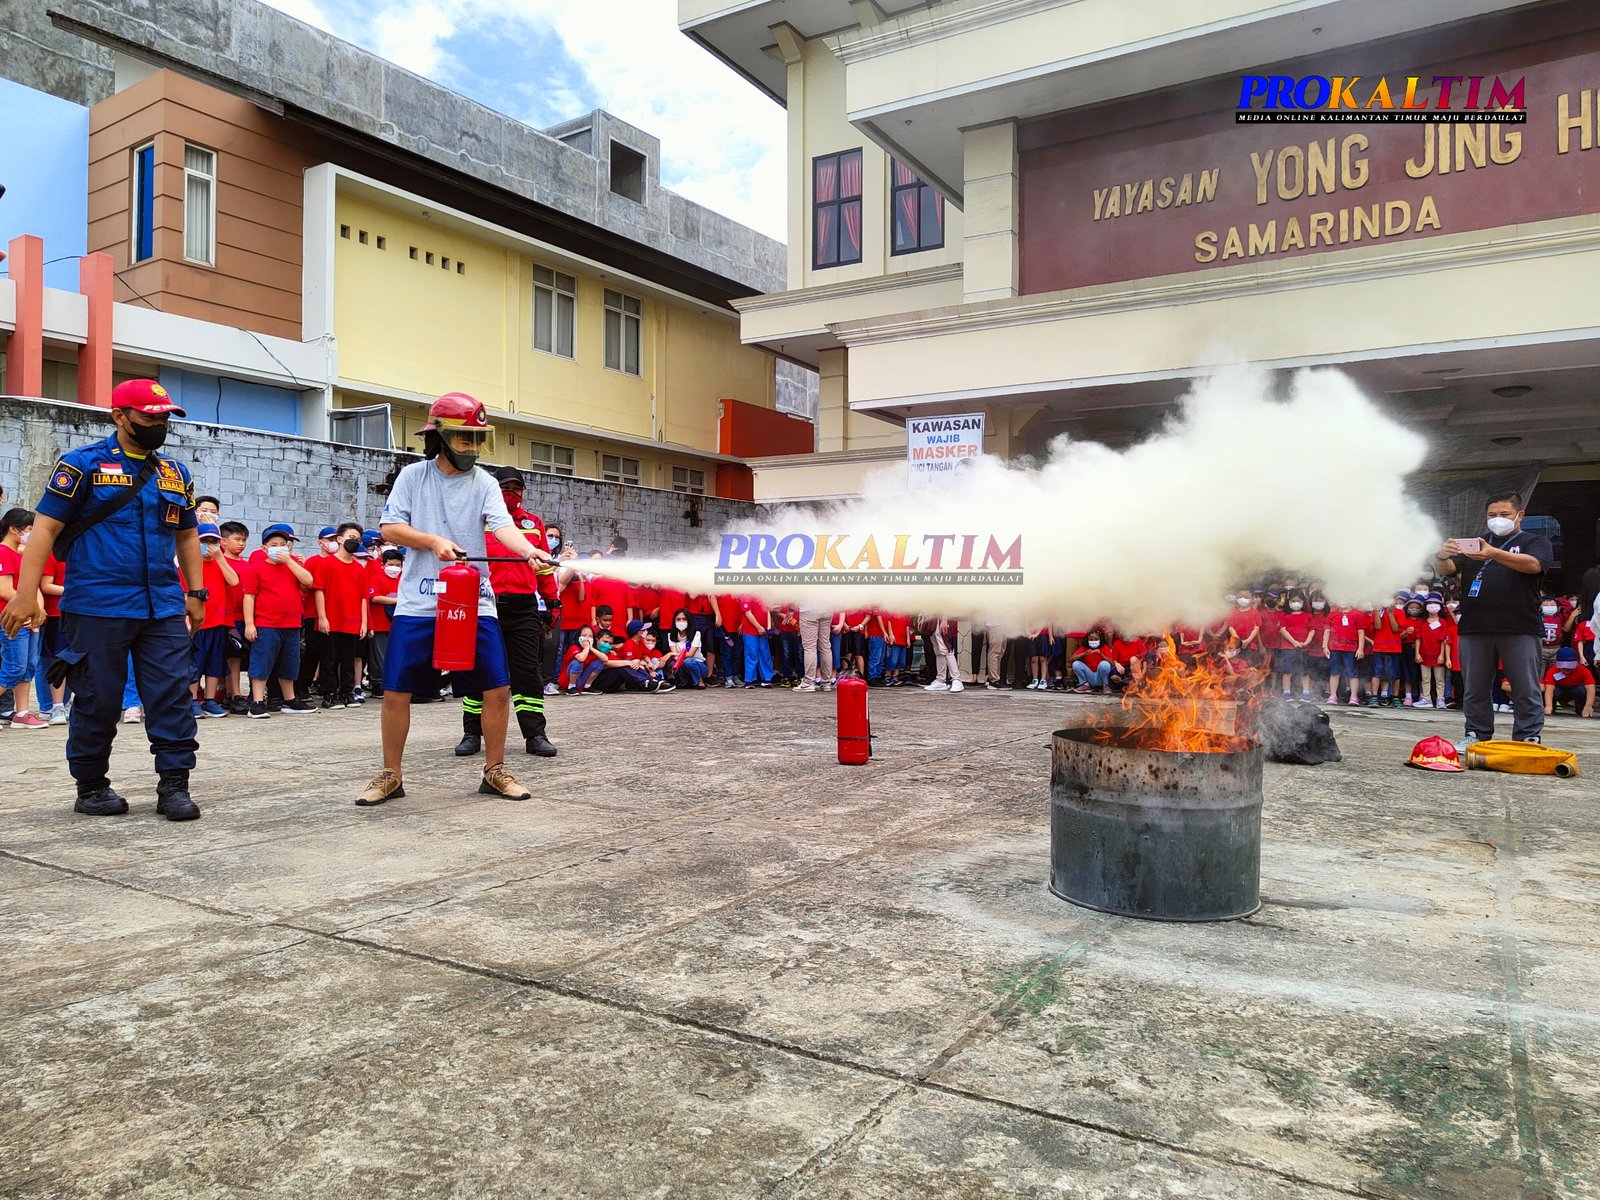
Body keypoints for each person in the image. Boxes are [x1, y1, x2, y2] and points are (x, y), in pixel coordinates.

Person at [1, 379, 205, 819]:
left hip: (162, 605)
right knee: (98, 698)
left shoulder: (175, 473)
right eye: (149, 416)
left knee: (172, 695)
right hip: (97, 604)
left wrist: (195, 591)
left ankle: (174, 786)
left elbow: (188, 535)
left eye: (165, 418)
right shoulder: (82, 465)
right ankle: (92, 786)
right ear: (119, 416)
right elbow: (46, 529)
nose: (159, 425)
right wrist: (26, 593)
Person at [359, 392, 551, 807]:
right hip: (419, 601)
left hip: (475, 599)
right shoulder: (413, 477)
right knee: (396, 690)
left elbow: (503, 527)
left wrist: (528, 550)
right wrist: (433, 542)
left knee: (497, 687)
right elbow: (390, 528)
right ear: (440, 437)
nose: (473, 447)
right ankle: (391, 775)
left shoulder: (485, 483)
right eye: (465, 438)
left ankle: (495, 770)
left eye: (478, 439)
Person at [1434, 491, 1555, 745]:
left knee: (1525, 687)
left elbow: (1534, 565)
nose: (1497, 519)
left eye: (1504, 514)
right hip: (1475, 626)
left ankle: (1527, 736)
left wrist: (1493, 553)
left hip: (1520, 626)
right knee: (1475, 687)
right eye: (1492, 515)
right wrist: (1441, 556)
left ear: (1519, 515)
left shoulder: (1535, 541)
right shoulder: (1475, 543)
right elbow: (1448, 570)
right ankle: (1475, 734)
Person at [455, 466, 557, 759]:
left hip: (524, 607)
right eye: (504, 488)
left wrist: (552, 601)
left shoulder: (534, 524)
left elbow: (544, 569)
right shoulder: (479, 521)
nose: (510, 493)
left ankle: (535, 735)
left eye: (516, 488)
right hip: (486, 605)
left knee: (527, 672)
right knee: (478, 669)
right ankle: (472, 734)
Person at [244, 524, 318, 718]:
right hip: (266, 624)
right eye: (274, 545)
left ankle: (290, 700)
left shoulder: (293, 565)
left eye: (283, 544)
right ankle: (257, 702)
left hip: (292, 624)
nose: (279, 548)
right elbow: (249, 596)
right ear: (264, 548)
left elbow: (308, 581)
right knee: (262, 661)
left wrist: (290, 562)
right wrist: (250, 623)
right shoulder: (257, 568)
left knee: (290, 663)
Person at [310, 522, 371, 710]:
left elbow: (363, 598)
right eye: (351, 537)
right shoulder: (326, 563)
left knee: (348, 659)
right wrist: (322, 617)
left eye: (358, 539)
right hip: (331, 620)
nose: (355, 542)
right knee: (328, 659)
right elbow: (319, 591)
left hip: (352, 621)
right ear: (339, 539)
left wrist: (364, 622)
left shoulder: (359, 569)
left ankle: (347, 692)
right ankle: (329, 694)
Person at [0, 509, 46, 729]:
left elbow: (33, 586)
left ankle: (22, 712)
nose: (31, 534)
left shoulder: (20, 554)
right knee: (14, 668)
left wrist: (37, 610)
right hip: (12, 618)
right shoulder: (3, 553)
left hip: (28, 618)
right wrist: (31, 607)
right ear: (13, 529)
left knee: (28, 667)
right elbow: (5, 589)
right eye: (28, 529)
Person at [192, 522, 239, 718]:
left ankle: (210, 700)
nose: (209, 546)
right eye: (205, 541)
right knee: (195, 663)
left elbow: (234, 581)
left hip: (219, 622)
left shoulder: (221, 563)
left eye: (214, 542)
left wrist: (220, 558)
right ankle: (192, 700)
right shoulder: (190, 564)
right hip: (198, 623)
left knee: (215, 662)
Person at [1541, 647, 1593, 718]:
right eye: (1563, 666)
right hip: (1559, 690)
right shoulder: (1552, 670)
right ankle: (1553, 707)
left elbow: (1591, 688)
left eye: (1570, 666)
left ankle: (1581, 709)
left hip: (1575, 690)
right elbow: (1549, 689)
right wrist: (1548, 706)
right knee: (1555, 691)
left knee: (1581, 690)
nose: (1567, 668)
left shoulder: (1584, 670)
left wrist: (1588, 706)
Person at [664, 608, 708, 689]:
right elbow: (675, 655)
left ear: (689, 621)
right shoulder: (671, 635)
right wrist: (674, 655)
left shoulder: (696, 634)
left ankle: (699, 680)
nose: (681, 621)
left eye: (684, 619)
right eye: (678, 619)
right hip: (681, 664)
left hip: (698, 666)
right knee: (673, 664)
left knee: (688, 661)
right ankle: (684, 682)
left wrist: (671, 654)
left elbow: (691, 654)